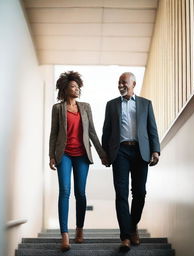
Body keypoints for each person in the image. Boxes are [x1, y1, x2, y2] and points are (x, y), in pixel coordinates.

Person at [49, 71, 108, 252]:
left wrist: (101, 154)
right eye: (73, 86)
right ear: (65, 89)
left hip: (82, 154)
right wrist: (51, 155)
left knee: (80, 193)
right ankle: (64, 235)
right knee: (64, 191)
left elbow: (92, 132)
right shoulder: (57, 108)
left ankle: (79, 229)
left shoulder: (85, 107)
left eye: (77, 87)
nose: (76, 89)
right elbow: (54, 133)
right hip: (64, 154)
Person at [102, 72, 160, 252]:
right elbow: (107, 131)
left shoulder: (145, 104)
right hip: (120, 152)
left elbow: (152, 128)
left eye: (124, 82)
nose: (120, 85)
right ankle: (125, 236)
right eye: (118, 82)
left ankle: (132, 225)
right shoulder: (111, 105)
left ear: (133, 83)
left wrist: (155, 150)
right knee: (121, 194)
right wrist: (105, 154)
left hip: (140, 152)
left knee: (140, 193)